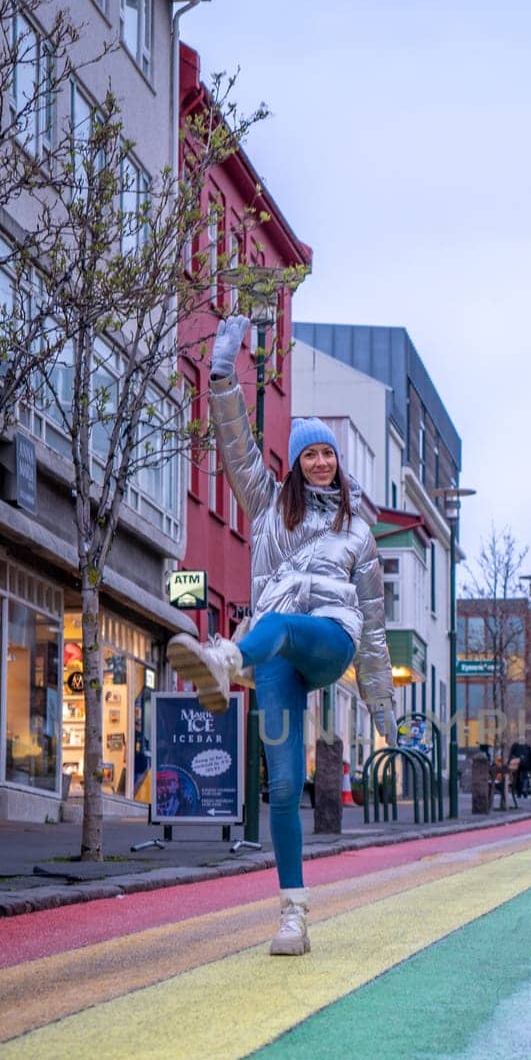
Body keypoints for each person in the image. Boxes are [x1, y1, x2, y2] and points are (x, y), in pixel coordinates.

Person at [167, 314, 396, 957]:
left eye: (329, 454)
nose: (321, 462)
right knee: (283, 782)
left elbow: (374, 627)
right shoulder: (267, 508)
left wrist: (383, 710)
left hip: (328, 640)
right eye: (310, 454)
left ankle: (224, 657)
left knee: (280, 622)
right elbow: (235, 440)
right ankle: (293, 915)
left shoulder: (358, 534)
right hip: (274, 658)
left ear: (338, 464)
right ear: (295, 465)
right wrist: (220, 368)